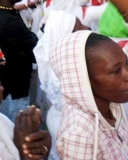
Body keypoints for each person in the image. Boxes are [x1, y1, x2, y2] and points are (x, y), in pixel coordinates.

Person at [49, 31, 128, 159]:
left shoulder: (112, 106)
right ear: (84, 81)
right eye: (116, 71)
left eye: (127, 63)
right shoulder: (79, 135)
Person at [33, 10, 88, 159]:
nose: (86, 28)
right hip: (70, 126)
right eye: (79, 27)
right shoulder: (66, 70)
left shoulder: (61, 60)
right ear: (65, 36)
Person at [0, 0, 38, 122]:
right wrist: (31, 37)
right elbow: (33, 41)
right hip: (15, 87)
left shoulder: (1, 12)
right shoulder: (9, 21)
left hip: (8, 83)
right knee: (17, 129)